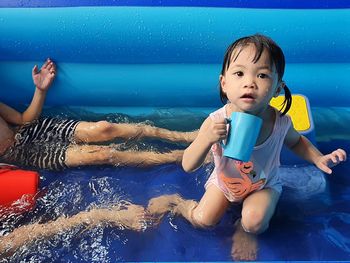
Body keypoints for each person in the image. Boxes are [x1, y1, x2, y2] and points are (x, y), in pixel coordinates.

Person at [146, 34, 347, 261]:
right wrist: (206, 139)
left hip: (264, 185)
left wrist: (318, 158)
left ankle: (244, 231)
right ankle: (179, 203)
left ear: (277, 88)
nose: (249, 82)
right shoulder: (216, 121)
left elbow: (297, 141)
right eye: (239, 73)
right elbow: (188, 164)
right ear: (224, 83)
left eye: (262, 75)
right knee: (203, 220)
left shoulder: (280, 122)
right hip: (225, 183)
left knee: (254, 221)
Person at [0, 59, 197, 170]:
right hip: (19, 154)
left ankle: (181, 136)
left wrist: (40, 90)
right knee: (102, 154)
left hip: (29, 130)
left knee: (105, 127)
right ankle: (179, 156)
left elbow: (24, 120)